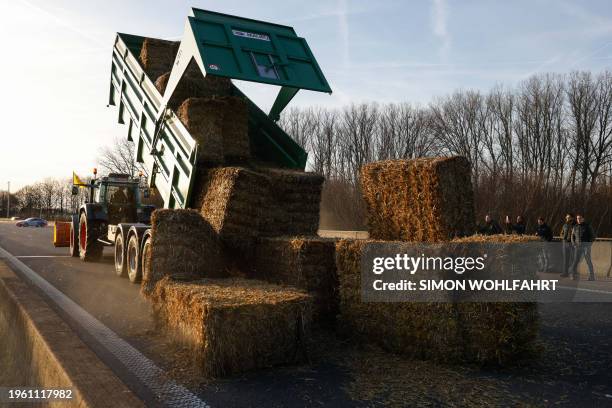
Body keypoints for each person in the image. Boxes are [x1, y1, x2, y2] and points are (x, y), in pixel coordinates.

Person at [570, 214, 596, 281]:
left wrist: (588, 245)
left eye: (580, 218)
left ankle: (592, 276)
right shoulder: (575, 227)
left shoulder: (587, 226)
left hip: (586, 247)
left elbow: (593, 237)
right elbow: (572, 236)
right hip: (577, 247)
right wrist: (574, 244)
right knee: (575, 261)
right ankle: (573, 275)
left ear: (583, 219)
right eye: (577, 218)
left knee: (588, 261)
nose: (578, 219)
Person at [560, 213, 575, 277]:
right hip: (565, 243)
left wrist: (572, 239)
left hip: (572, 243)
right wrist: (563, 237)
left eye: (568, 217)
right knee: (565, 259)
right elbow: (561, 233)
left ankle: (572, 272)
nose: (567, 218)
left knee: (573, 259)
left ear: (572, 218)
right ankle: (565, 273)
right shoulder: (565, 225)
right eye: (566, 217)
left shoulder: (575, 225)